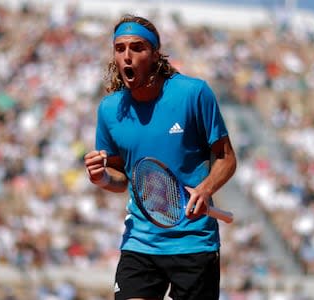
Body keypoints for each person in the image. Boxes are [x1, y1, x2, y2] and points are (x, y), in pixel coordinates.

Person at [84, 14, 237, 300]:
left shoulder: (193, 93)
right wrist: (102, 177)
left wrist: (205, 189)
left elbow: (226, 158)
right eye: (120, 49)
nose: (127, 56)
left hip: (194, 243)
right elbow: (124, 180)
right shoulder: (109, 110)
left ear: (155, 54)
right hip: (140, 243)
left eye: (137, 48)